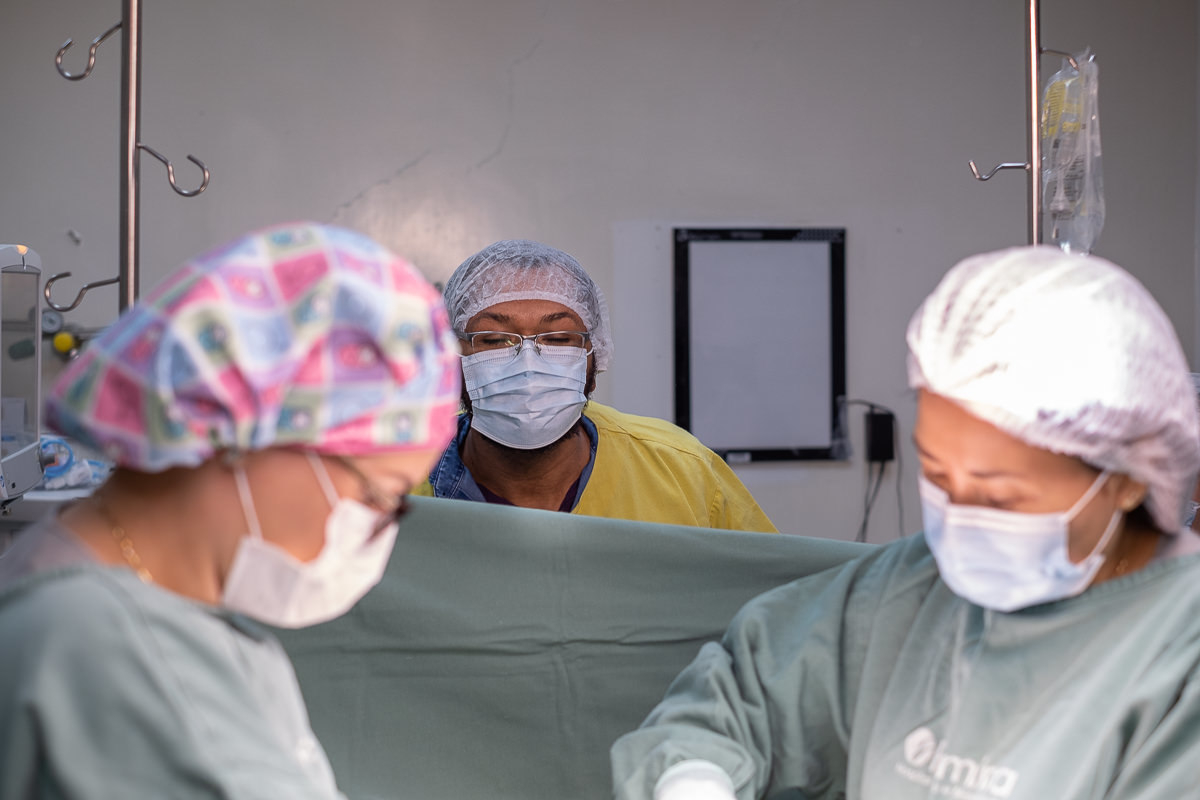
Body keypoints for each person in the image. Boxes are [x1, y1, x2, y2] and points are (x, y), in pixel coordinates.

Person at [611, 245, 1200, 800]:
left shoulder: (1179, 651)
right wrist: (694, 780)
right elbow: (738, 701)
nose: (961, 522)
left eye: (1000, 497)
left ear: (1128, 478)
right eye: (939, 478)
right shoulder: (908, 590)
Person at [0, 222, 460, 798]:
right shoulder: (106, 653)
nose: (376, 533)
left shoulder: (146, 614)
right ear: (252, 430)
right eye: (380, 497)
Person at [414, 238, 777, 532]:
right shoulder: (395, 487)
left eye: (559, 338)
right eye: (494, 339)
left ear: (595, 352)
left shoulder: (682, 473)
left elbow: (774, 590)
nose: (528, 364)